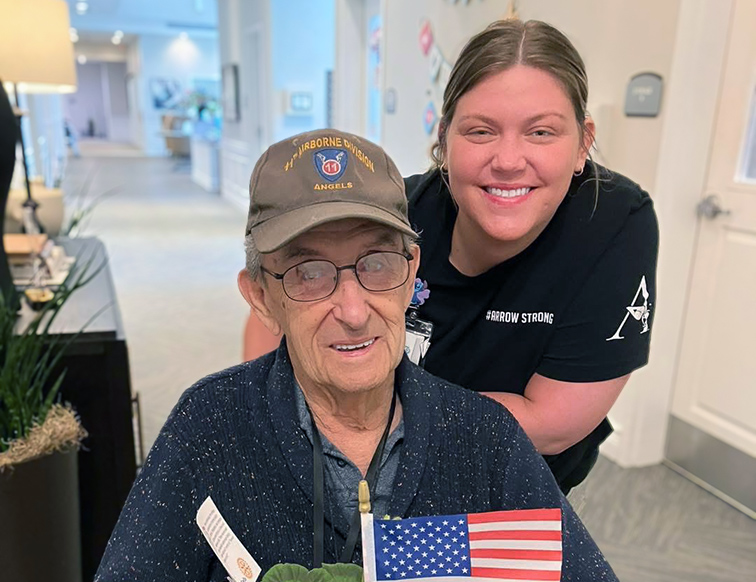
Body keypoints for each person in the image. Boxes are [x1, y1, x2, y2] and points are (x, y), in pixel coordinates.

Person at [65, 129, 650, 582]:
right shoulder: (213, 424)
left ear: (411, 274)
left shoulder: (481, 438)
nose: (352, 307)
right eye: (308, 273)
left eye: (376, 263)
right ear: (260, 296)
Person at [244, 19, 659, 496]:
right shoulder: (394, 216)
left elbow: (553, 422)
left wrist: (354, 415)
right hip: (369, 466)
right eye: (480, 131)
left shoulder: (614, 224)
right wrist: (272, 429)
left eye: (541, 132)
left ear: (583, 142)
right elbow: (275, 316)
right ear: (444, 139)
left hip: (510, 474)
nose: (508, 160)